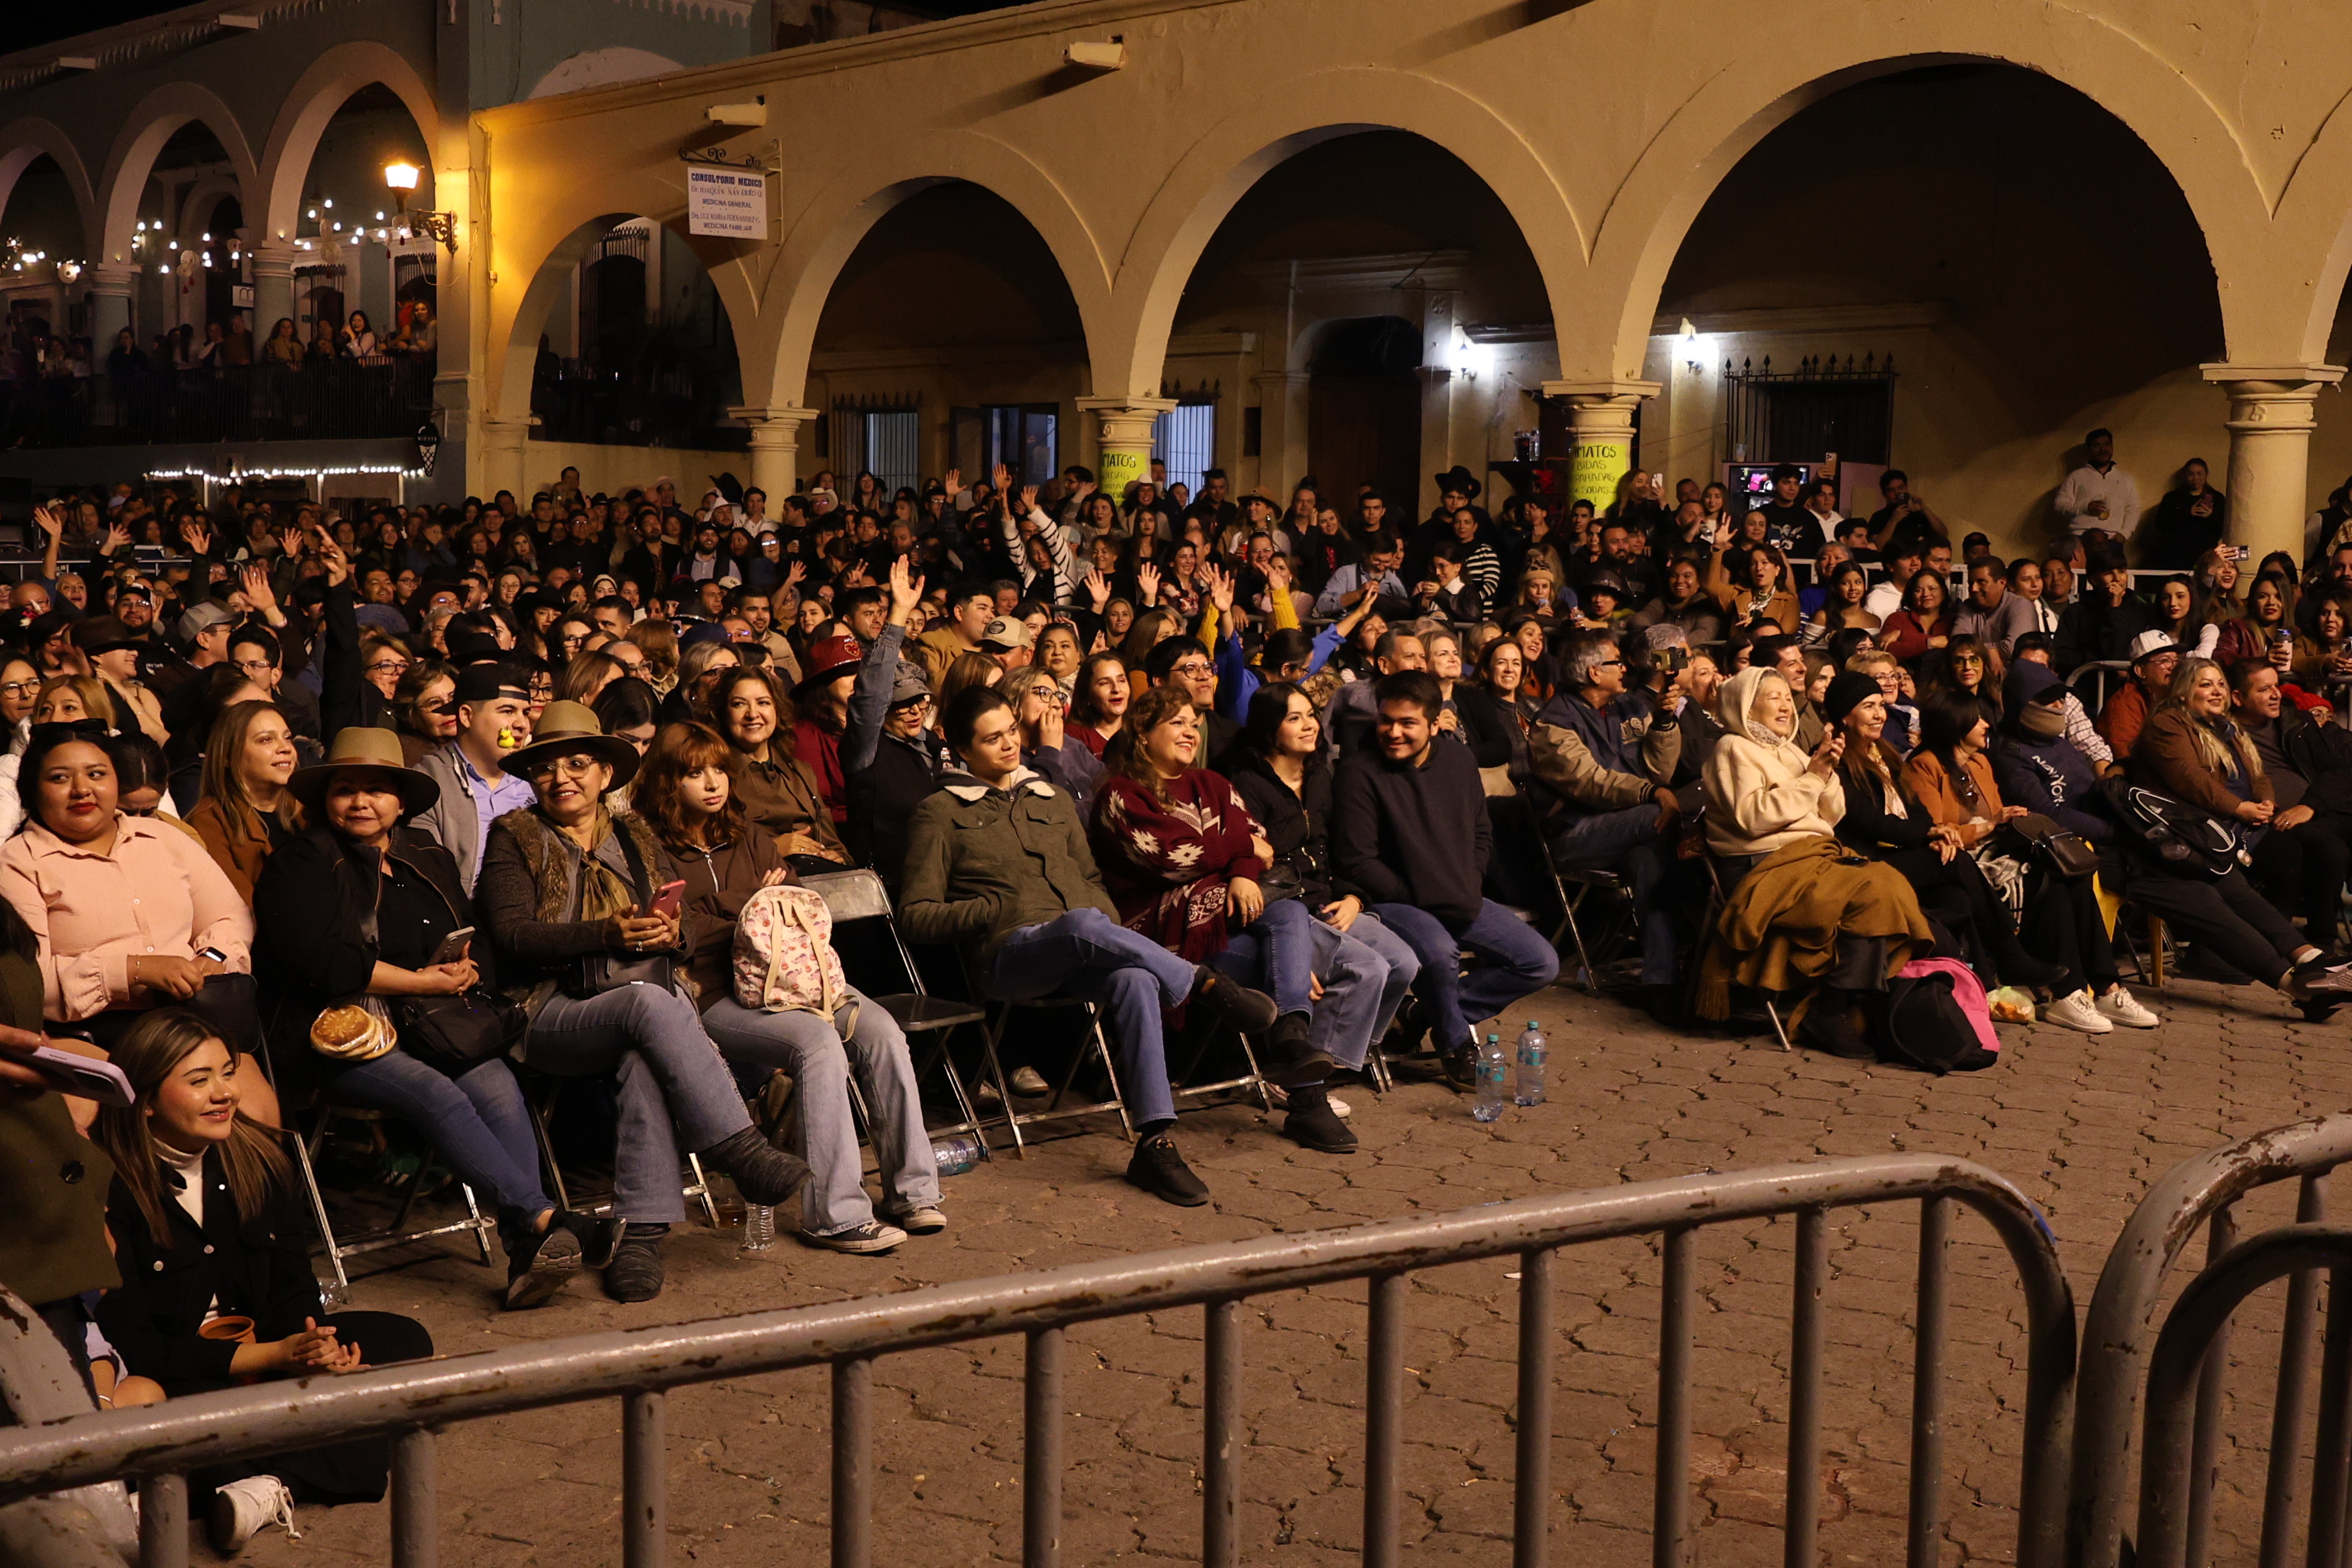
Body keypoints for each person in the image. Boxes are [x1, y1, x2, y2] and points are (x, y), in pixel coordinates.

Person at [474, 700, 814, 1302]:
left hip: (637, 997)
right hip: (547, 1010)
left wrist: (667, 932)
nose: (563, 779)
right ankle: (738, 1148)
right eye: (548, 768)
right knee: (649, 1008)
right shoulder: (514, 838)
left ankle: (639, 1237)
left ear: (606, 774)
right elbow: (512, 937)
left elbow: (674, 922)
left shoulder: (633, 833)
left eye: (578, 764)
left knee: (643, 1051)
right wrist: (604, 933)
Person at [898, 686, 1282, 1207]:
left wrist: (1103, 922)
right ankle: (1199, 983)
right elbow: (917, 917)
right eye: (993, 740)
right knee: (1082, 923)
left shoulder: (1051, 799)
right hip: (1011, 957)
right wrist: (989, 910)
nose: (1011, 745)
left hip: (1084, 945)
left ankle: (1154, 1143)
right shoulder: (938, 813)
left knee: (1136, 977)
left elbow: (1092, 879)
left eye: (1013, 731)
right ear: (961, 750)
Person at [252, 727, 580, 1308]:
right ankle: (542, 1218)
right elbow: (326, 963)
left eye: (376, 790)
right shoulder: (300, 862)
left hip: (430, 1023)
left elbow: (467, 928)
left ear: (400, 803)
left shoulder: (424, 854)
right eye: (346, 790)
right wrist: (423, 981)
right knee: (435, 1092)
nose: (360, 802)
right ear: (326, 800)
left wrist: (464, 968)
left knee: (499, 1085)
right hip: (335, 1035)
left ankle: (529, 1250)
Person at [90, 1008, 435, 1556]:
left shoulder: (259, 1157)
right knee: (161, 1412)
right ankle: (283, 1475)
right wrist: (277, 1357)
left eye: (227, 1072)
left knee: (404, 1343)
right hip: (183, 1374)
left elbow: (293, 1288)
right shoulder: (110, 1182)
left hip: (270, 1358)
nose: (225, 1093)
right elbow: (143, 1349)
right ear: (146, 1099)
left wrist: (320, 1344)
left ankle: (247, 1484)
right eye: (200, 1081)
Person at [637, 722, 943, 1255]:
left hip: (798, 979)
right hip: (716, 995)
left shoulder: (750, 835)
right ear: (668, 782)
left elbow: (796, 909)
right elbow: (681, 933)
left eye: (718, 771)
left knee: (882, 1031)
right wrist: (751, 902)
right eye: (694, 773)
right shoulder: (653, 849)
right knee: (816, 1043)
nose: (712, 783)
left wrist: (730, 909)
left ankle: (911, 1192)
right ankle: (835, 1215)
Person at [1091, 682, 1369, 1087]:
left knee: (1288, 917)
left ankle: (1291, 1042)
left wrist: (1240, 872)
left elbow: (1262, 841)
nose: (1191, 732)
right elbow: (1172, 858)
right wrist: (1241, 852)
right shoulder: (1121, 794)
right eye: (1177, 723)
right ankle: (1297, 1066)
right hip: (1160, 927)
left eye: (1194, 724)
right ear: (1142, 734)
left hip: (1228, 917)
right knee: (1284, 953)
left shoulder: (1211, 783)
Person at [1696, 667, 1937, 1060]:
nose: (1785, 705)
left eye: (1787, 698)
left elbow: (1831, 815)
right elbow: (1753, 818)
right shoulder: (1733, 749)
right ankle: (1832, 1010)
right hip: (1763, 864)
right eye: (1773, 697)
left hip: (1811, 855)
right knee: (1874, 887)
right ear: (1746, 705)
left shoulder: (1791, 750)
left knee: (1886, 882)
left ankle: (1843, 1002)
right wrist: (1812, 778)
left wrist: (1825, 771)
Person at [1216, 682, 1422, 1140]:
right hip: (1285, 907)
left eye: (1310, 714)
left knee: (1405, 963)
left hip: (1331, 899)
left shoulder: (1322, 773)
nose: (1309, 724)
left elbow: (1342, 850)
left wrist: (1355, 898)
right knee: (1366, 969)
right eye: (1294, 718)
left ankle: (1338, 1058)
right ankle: (1305, 1081)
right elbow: (1256, 864)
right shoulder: (1245, 782)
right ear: (1271, 729)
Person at [1331, 670, 1559, 1074]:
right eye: (1386, 720)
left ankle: (1423, 1013)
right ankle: (1454, 1043)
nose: (1393, 732)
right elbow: (1358, 862)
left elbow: (1481, 831)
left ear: (1435, 724)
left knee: (1540, 962)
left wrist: (1468, 882)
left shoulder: (1458, 758)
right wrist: (1422, 897)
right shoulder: (1358, 772)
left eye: (1408, 723)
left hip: (1457, 894)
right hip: (1393, 901)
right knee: (1438, 953)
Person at [2104, 662, 2343, 1015]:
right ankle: (2300, 987)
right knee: (2215, 904)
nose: (2217, 691)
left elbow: (2256, 770)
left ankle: (2310, 959)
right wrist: (2240, 808)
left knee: (2239, 892)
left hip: (2200, 844)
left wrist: (2264, 801)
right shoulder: (2167, 724)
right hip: (2157, 851)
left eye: (2220, 683)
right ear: (2184, 691)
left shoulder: (2224, 727)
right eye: (2205, 685)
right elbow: (2191, 780)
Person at [1899, 691, 2141, 1029]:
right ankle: (2067, 994)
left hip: (1997, 849)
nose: (1986, 725)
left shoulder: (1981, 762)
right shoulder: (1924, 765)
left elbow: (1996, 816)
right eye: (1978, 719)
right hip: (1965, 860)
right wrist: (1987, 825)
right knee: (2049, 883)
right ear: (1957, 724)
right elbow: (1937, 831)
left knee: (2071, 874)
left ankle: (2105, 987)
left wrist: (2006, 818)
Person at [1526, 630, 1685, 1023]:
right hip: (1575, 835)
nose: (1627, 667)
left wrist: (1665, 721)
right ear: (1594, 672)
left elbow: (1659, 770)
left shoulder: (1628, 705)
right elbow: (1591, 782)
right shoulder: (1553, 724)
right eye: (1618, 662)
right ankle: (1699, 933)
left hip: (1629, 830)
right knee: (1660, 817)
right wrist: (1652, 793)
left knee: (1651, 860)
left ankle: (1662, 983)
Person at [409, 662, 538, 893]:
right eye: (508, 711)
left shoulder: (538, 781)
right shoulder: (429, 783)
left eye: (525, 713)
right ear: (467, 717)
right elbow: (428, 878)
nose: (522, 724)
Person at [712, 663, 851, 871]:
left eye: (763, 703)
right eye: (739, 704)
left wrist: (836, 856)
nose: (753, 714)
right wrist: (774, 848)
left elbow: (834, 844)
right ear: (724, 713)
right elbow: (713, 858)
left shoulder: (801, 772)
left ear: (777, 710)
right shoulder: (716, 776)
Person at [187, 700, 300, 903]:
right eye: (266, 740)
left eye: (288, 738)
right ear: (228, 756)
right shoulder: (209, 822)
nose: (285, 748)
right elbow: (239, 907)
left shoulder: (309, 811)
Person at [2096, 631, 2179, 759]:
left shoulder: (2178, 696)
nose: (2172, 667)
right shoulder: (2123, 704)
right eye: (2164, 661)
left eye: (2176, 660)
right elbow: (2125, 756)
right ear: (2141, 671)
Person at [2137, 457, 2228, 569]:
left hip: (2204, 554)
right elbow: (2161, 524)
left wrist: (2210, 517)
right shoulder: (2173, 498)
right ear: (2185, 476)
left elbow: (2223, 528)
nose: (2195, 478)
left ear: (2206, 476)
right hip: (2175, 554)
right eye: (2191, 474)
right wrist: (2187, 513)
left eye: (2200, 474)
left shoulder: (2217, 499)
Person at [2055, 427, 2142, 540]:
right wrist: (2085, 507)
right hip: (2081, 537)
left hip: (2111, 539)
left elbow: (2133, 509)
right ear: (2088, 449)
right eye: (2097, 445)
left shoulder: (2125, 479)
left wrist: (2125, 533)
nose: (2103, 449)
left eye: (2107, 445)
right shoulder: (2076, 476)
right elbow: (2059, 505)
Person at [1877, 569, 1955, 664]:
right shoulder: (1897, 619)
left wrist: (1902, 635)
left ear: (1943, 593)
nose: (1926, 594)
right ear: (1911, 595)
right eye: (1918, 590)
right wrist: (1929, 643)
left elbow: (1952, 647)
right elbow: (1888, 650)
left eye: (1932, 589)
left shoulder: (1952, 622)